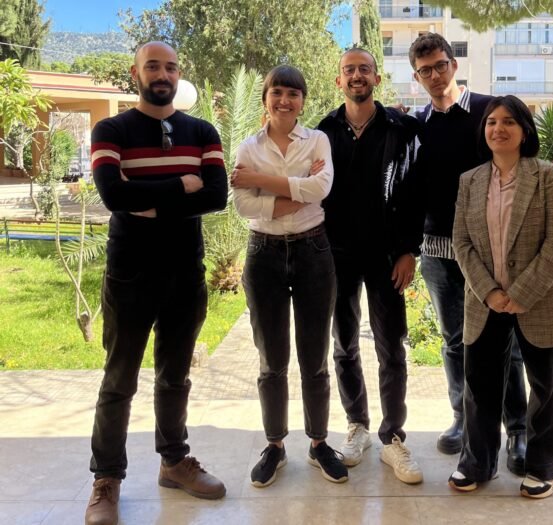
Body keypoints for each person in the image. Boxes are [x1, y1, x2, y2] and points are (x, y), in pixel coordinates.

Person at [86, 41, 228, 525]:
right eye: (153, 66)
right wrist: (179, 186)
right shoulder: (111, 130)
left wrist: (146, 199)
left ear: (178, 73)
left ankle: (174, 462)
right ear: (136, 73)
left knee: (175, 376)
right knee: (119, 379)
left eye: (170, 67)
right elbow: (112, 194)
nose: (162, 74)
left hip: (185, 272)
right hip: (130, 273)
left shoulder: (202, 132)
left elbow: (216, 196)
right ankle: (107, 478)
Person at [408, 33, 553, 471]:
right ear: (416, 77)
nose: (434, 75)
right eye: (424, 70)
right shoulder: (416, 123)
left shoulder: (487, 110)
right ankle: (465, 420)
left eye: (440, 65)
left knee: (508, 342)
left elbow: (523, 157)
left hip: (494, 250)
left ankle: (516, 430)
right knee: (457, 341)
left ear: (454, 64)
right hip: (441, 249)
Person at [448, 95, 553, 499]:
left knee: (546, 385)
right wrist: (489, 291)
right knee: (479, 385)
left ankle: (546, 467)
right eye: (491, 122)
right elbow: (461, 242)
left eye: (508, 122)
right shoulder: (470, 181)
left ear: (525, 131)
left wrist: (521, 293)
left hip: (540, 298)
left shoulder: (549, 177)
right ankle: (477, 463)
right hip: (485, 300)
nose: (498, 129)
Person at [231, 65, 348, 488]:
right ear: (265, 98)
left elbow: (322, 189)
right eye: (277, 92)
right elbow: (244, 205)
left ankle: (318, 443)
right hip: (263, 254)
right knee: (271, 360)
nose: (284, 100)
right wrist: (296, 192)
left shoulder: (317, 140)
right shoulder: (248, 146)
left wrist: (260, 181)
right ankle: (275, 445)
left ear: (302, 101)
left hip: (313, 251)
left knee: (315, 358)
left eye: (293, 94)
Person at [317, 48, 424, 484]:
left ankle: (393, 437)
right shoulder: (323, 131)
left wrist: (409, 250)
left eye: (364, 69)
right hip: (336, 255)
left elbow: (415, 191)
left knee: (391, 347)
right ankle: (357, 426)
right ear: (339, 80)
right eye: (349, 70)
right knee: (344, 345)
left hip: (386, 256)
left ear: (377, 78)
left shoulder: (402, 128)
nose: (357, 75)